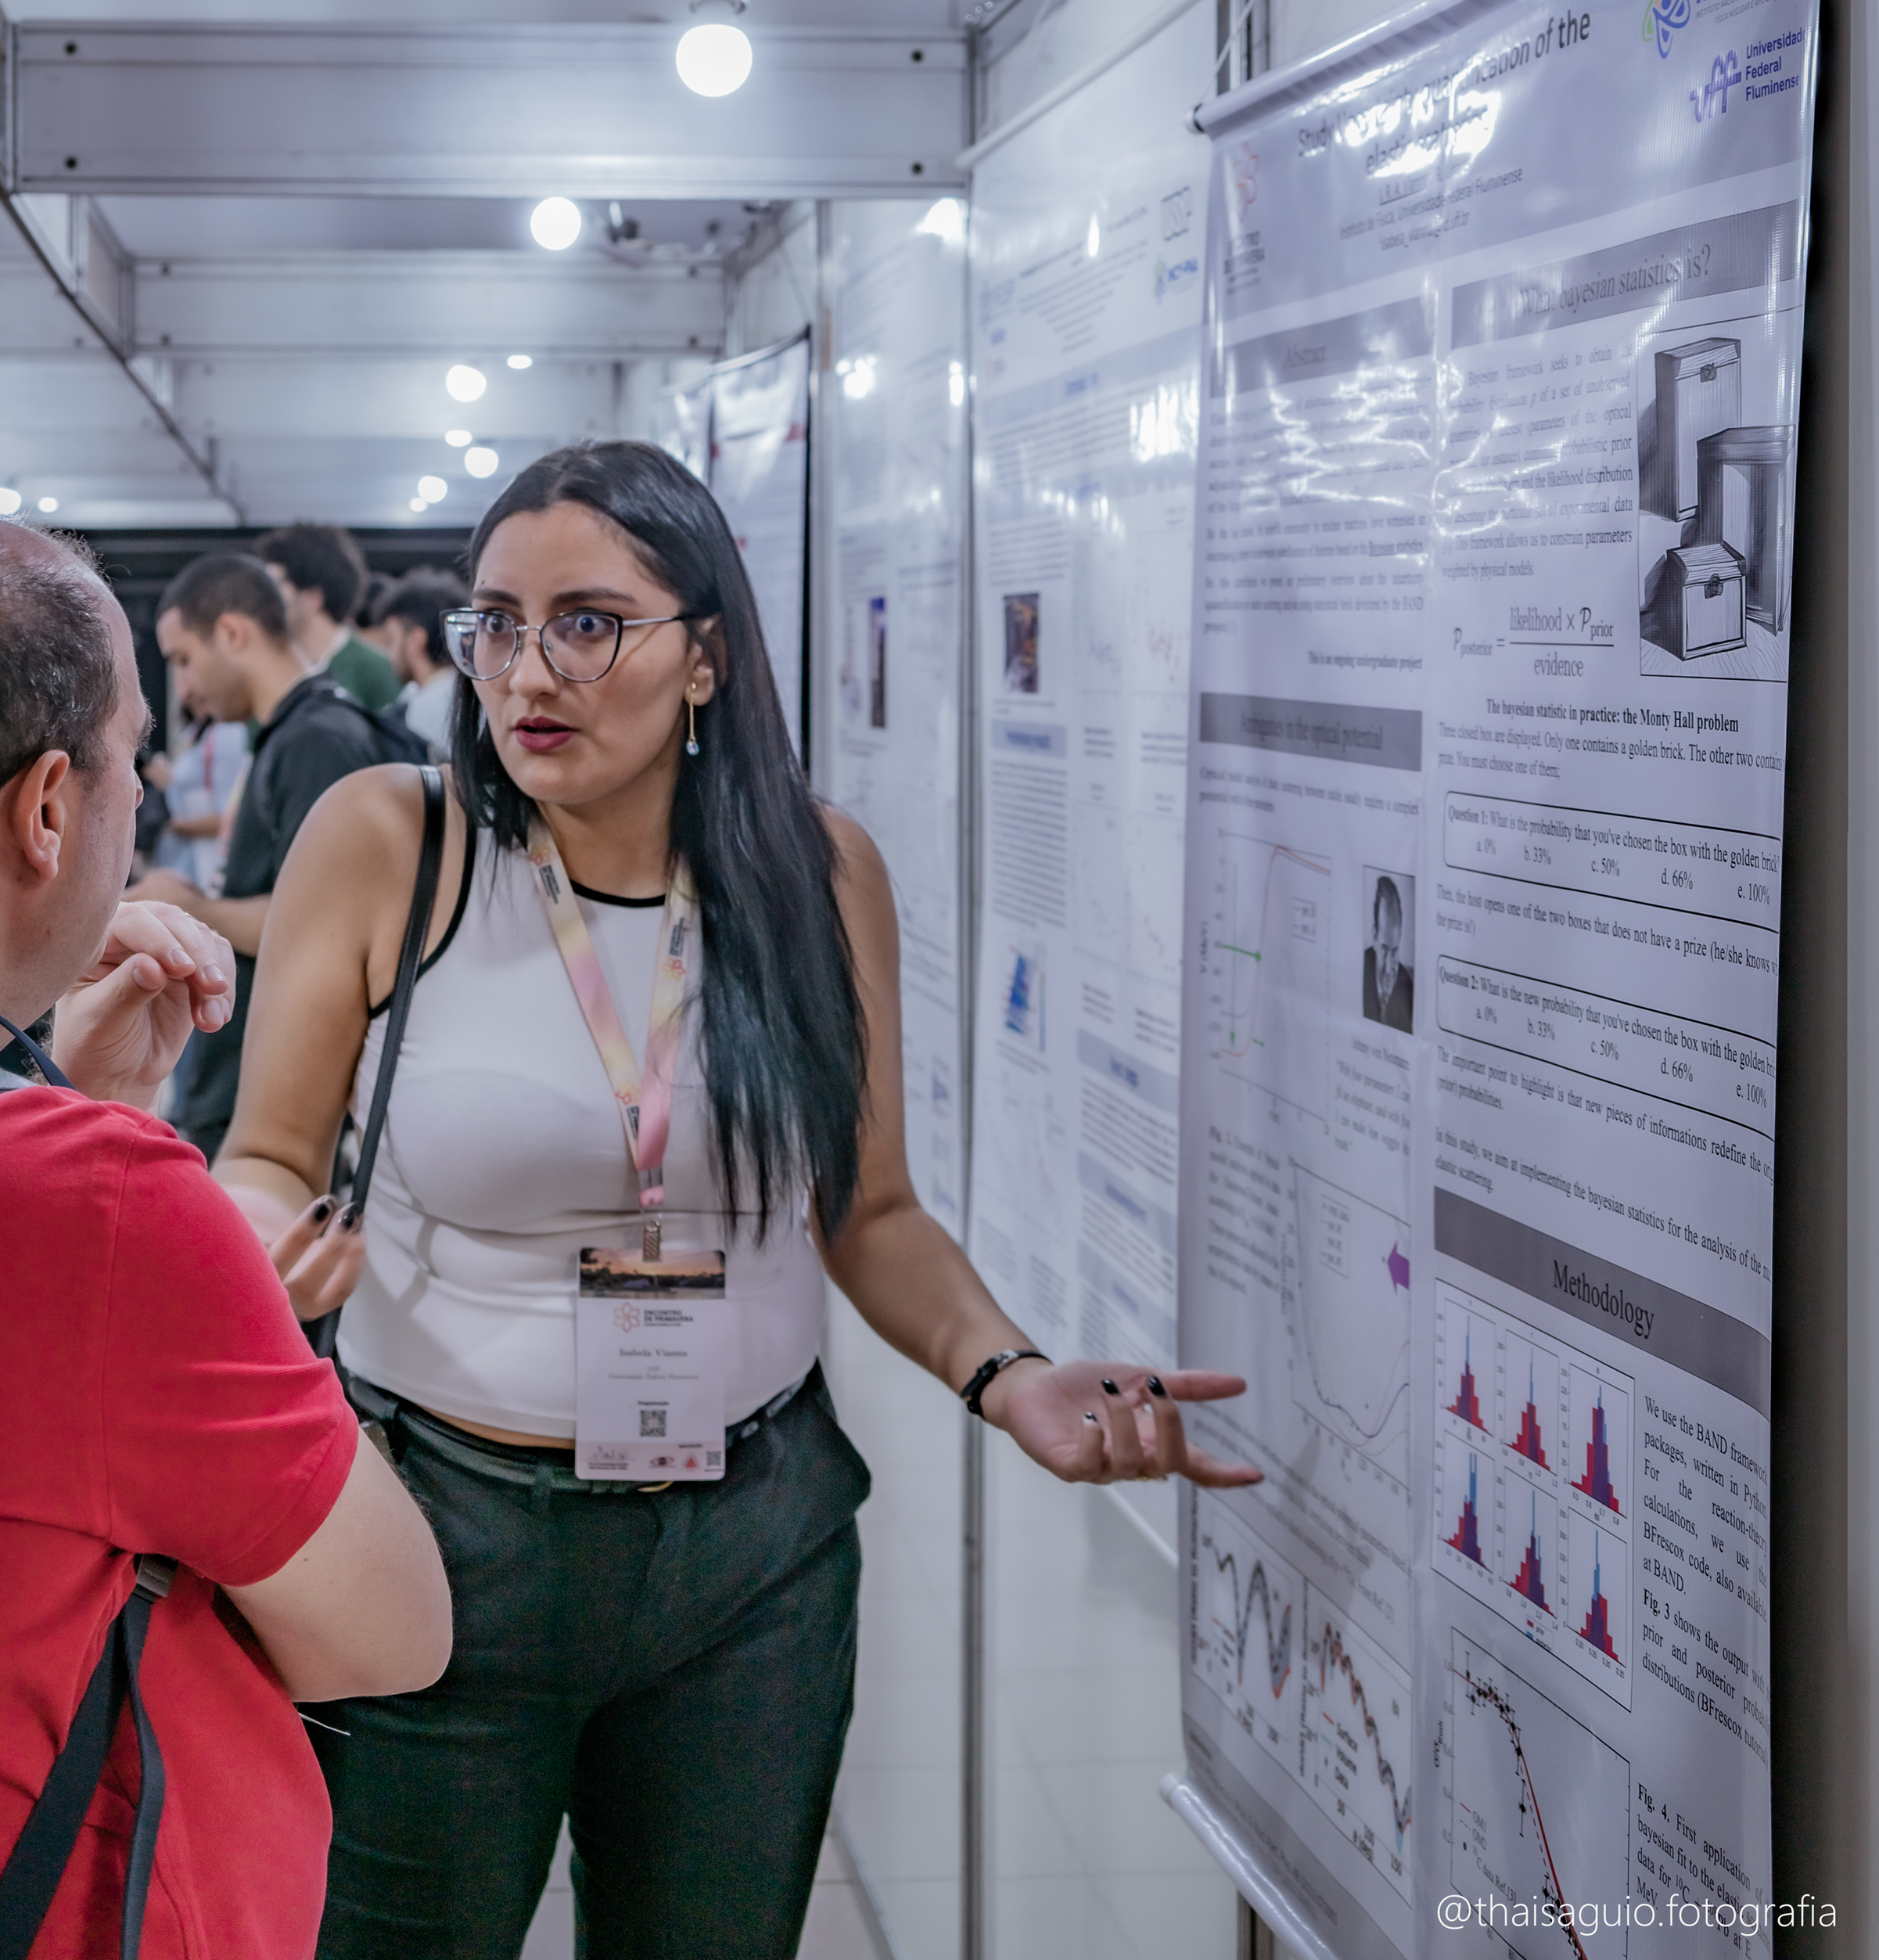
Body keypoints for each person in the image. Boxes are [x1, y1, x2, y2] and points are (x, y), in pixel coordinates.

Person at [219, 441, 1259, 1960]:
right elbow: (266, 1149)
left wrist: (1007, 1371)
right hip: (437, 1533)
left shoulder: (818, 874)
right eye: (496, 623)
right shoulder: (395, 839)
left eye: (588, 622)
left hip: (749, 1560)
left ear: (704, 654)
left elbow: (871, 1209)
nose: (528, 671)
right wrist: (259, 1242)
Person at [0, 503, 450, 1960]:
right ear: (47, 809)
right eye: (129, 759)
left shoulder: (26, 1156)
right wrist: (131, 1186)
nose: (144, 794)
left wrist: (33, 1094)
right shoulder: (90, 1202)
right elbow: (392, 1628)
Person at [131, 552, 404, 1163]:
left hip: (274, 1097)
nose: (185, 687)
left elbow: (328, 930)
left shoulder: (319, 741)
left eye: (184, 660)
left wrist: (191, 907)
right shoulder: (291, 734)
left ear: (232, 634)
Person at [261, 523, 403, 716]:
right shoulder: (270, 665)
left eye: (275, 584)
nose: (264, 596)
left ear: (312, 597)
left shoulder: (374, 669)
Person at [149, 710, 251, 892]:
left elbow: (229, 819)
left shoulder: (227, 733)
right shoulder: (198, 731)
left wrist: (171, 825)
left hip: (203, 871)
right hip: (185, 865)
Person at [377, 566, 460, 750]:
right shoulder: (467, 694)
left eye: (391, 640)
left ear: (416, 641)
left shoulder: (424, 710)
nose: (387, 654)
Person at [1362, 872, 1414, 1031]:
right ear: (1375, 936)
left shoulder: (1408, 987)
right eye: (1384, 950)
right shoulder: (1360, 969)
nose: (1390, 968)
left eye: (1395, 951)